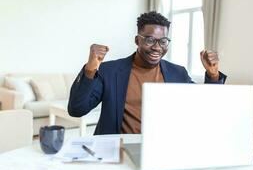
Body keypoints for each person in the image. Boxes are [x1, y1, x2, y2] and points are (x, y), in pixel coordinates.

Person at [68, 11, 227, 135]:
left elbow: (205, 109)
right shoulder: (109, 71)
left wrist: (213, 75)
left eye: (163, 41)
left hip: (163, 148)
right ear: (138, 40)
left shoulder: (178, 73)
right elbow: (77, 109)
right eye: (150, 40)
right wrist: (90, 69)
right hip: (117, 149)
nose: (157, 47)